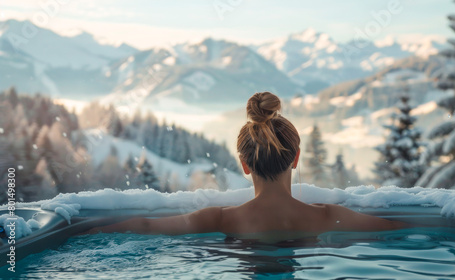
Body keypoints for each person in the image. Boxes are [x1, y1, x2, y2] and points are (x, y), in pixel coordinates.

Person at [84, 92, 407, 241]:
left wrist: (89, 230)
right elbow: (402, 231)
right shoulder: (328, 216)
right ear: (295, 159)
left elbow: (145, 227)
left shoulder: (218, 219)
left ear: (244, 165)